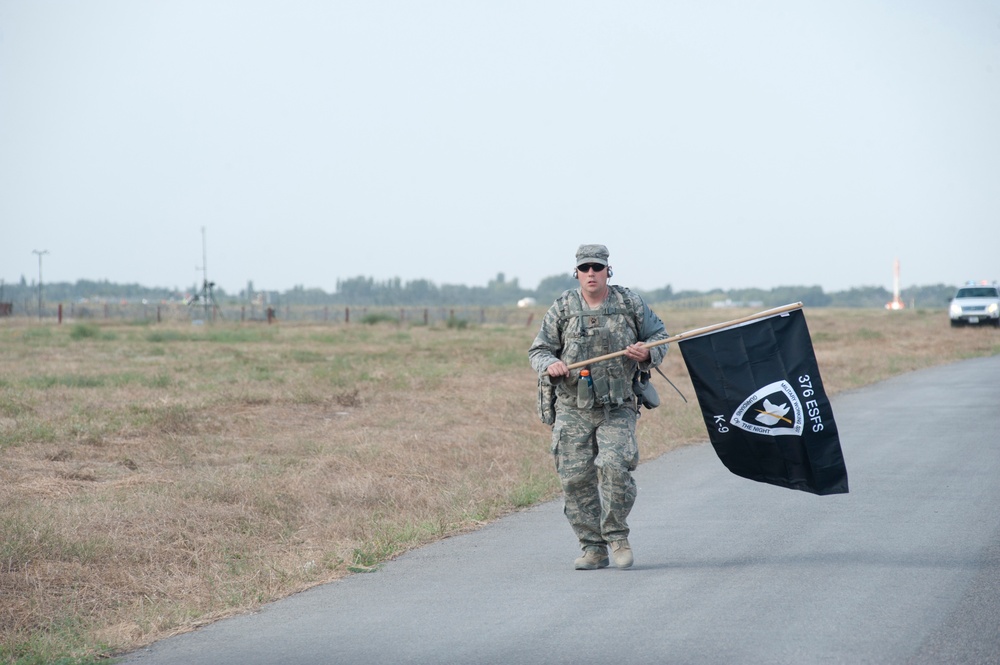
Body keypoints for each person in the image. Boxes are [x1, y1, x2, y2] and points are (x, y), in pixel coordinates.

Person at [529, 244, 669, 570]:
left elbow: (659, 336)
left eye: (597, 267)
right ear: (576, 273)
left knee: (614, 465)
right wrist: (551, 365)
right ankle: (593, 547)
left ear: (608, 270)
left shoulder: (629, 303)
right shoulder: (563, 308)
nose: (591, 273)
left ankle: (617, 536)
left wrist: (646, 353)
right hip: (572, 407)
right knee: (575, 479)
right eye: (584, 268)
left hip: (617, 406)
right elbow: (539, 350)